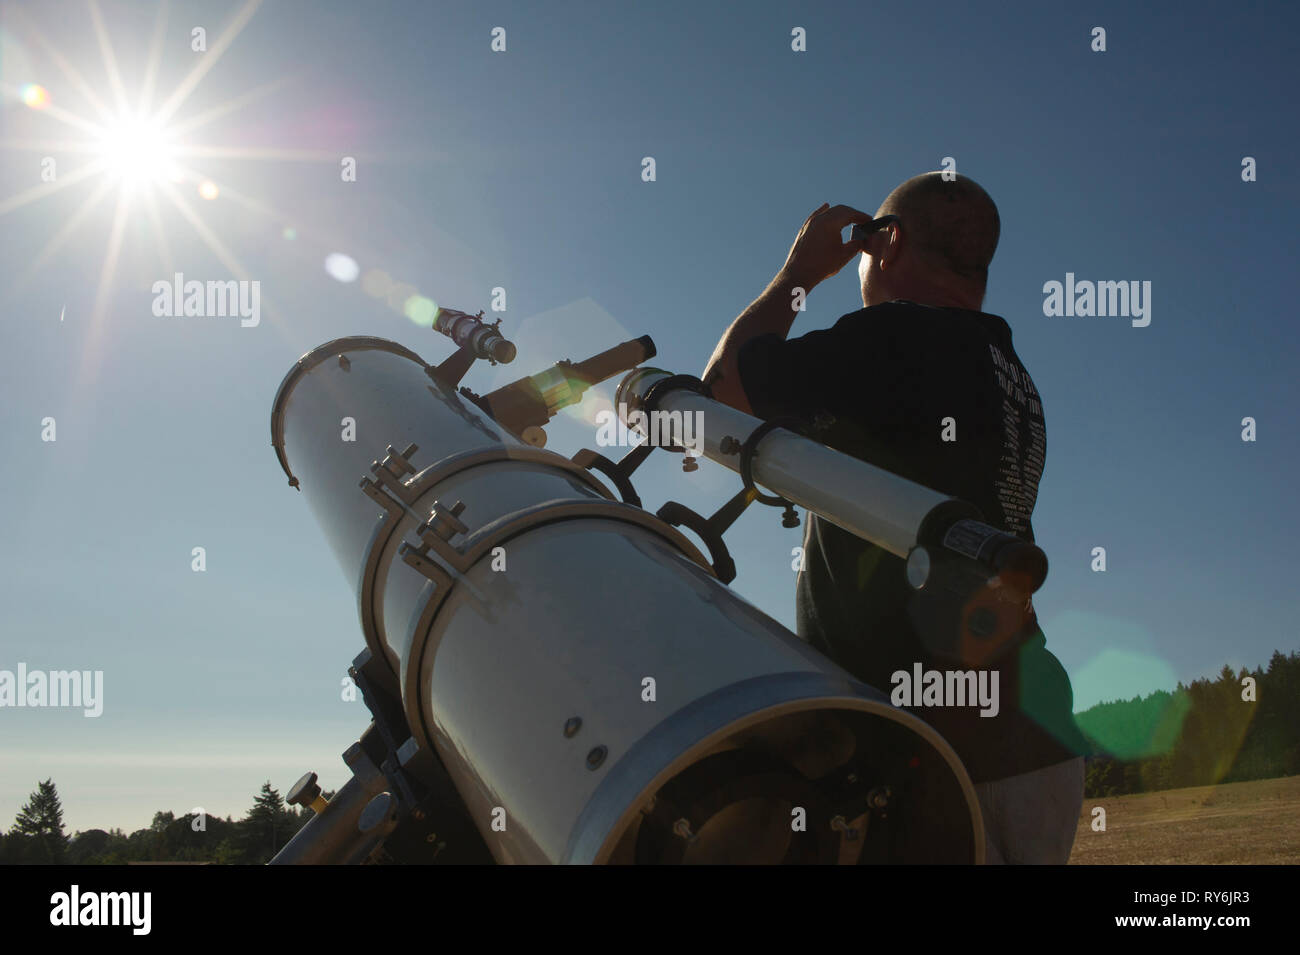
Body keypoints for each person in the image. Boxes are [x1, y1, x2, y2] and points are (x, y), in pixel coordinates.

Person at [701, 172, 1088, 864]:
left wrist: (799, 272)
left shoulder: (899, 337)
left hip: (934, 753)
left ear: (889, 241)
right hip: (1030, 731)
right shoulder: (1007, 370)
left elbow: (719, 399)